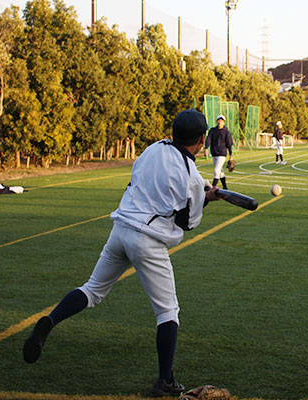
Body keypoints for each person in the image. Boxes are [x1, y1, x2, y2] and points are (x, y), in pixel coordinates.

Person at [22, 109, 221, 397]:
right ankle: (165, 381)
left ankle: (50, 321)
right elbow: (187, 221)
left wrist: (201, 190)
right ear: (202, 140)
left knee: (92, 290)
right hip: (148, 241)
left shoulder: (154, 148)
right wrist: (206, 198)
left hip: (121, 228)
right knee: (168, 311)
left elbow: (163, 174)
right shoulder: (190, 176)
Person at [204, 115, 234, 190]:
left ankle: (212, 187)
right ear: (217, 121)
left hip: (222, 154)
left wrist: (230, 155)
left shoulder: (226, 132)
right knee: (220, 171)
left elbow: (229, 144)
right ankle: (225, 187)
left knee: (216, 170)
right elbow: (208, 139)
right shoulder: (213, 130)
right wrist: (206, 148)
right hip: (214, 153)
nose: (220, 121)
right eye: (218, 120)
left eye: (221, 120)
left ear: (224, 122)